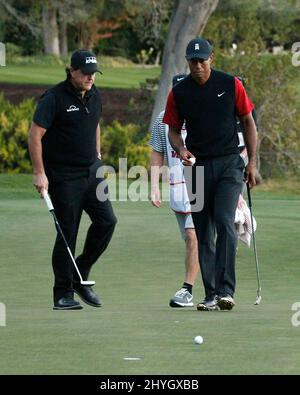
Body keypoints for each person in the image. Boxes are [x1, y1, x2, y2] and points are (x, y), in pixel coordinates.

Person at [163, 37, 257, 311]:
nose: (197, 66)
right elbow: (172, 129)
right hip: (197, 167)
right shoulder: (179, 92)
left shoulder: (230, 84)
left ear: (211, 58)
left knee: (224, 221)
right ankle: (211, 293)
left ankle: (226, 290)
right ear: (188, 62)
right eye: (193, 61)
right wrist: (180, 149)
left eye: (202, 60)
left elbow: (248, 121)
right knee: (203, 231)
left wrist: (251, 162)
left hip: (229, 163)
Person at [28, 49, 117, 310]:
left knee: (107, 221)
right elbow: (35, 135)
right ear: (72, 71)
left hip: (92, 172)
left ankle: (80, 272)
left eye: (94, 74)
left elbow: (95, 123)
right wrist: (39, 172)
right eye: (86, 73)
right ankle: (62, 293)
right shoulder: (53, 98)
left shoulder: (94, 94)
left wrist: (98, 155)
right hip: (64, 176)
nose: (91, 78)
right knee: (67, 232)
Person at [150, 74, 199, 308]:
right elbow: (157, 153)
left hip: (201, 185)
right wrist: (154, 187)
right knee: (192, 240)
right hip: (177, 191)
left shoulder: (201, 115)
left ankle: (187, 289)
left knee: (193, 237)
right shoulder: (162, 120)